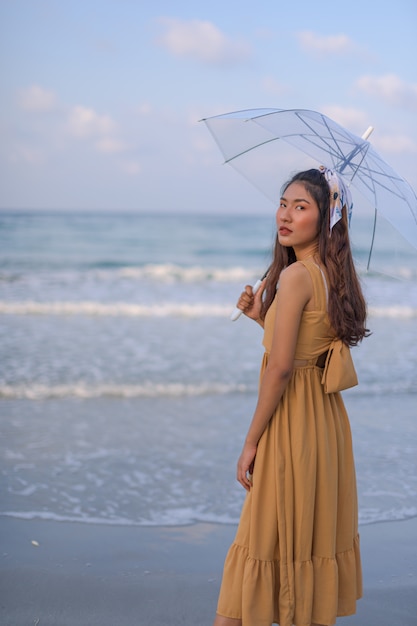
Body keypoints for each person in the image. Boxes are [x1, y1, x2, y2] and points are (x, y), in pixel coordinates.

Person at [213, 167, 369, 626]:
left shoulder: (297, 275)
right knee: (299, 536)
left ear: (326, 219)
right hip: (323, 424)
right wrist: (264, 317)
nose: (285, 215)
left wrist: (250, 441)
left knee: (261, 537)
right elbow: (305, 351)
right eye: (283, 203)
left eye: (301, 207)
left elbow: (281, 370)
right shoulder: (328, 274)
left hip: (292, 421)